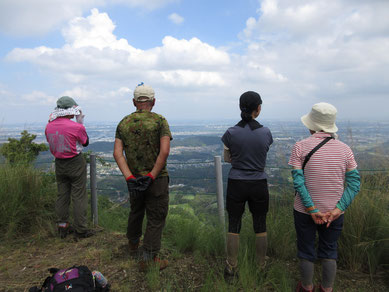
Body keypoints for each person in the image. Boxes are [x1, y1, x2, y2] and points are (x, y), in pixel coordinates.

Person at [289, 103, 360, 292]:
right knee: (329, 251)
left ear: (312, 124)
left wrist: (311, 208)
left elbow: (298, 181)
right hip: (334, 212)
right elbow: (354, 184)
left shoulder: (299, 147)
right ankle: (327, 289)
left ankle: (306, 287)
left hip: (304, 211)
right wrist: (338, 209)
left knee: (306, 250)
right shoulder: (346, 150)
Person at [113, 82, 172, 271]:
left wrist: (130, 177)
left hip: (135, 179)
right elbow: (164, 152)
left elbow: (117, 153)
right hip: (157, 179)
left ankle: (132, 245)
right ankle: (149, 260)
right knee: (156, 216)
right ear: (153, 101)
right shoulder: (160, 121)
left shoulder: (124, 123)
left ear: (134, 102)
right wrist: (152, 175)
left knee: (136, 211)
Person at [221, 91, 273, 280]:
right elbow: (263, 151)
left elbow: (228, 159)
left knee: (234, 224)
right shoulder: (266, 132)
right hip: (259, 182)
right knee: (260, 225)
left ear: (240, 107)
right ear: (258, 109)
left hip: (237, 182)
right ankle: (261, 267)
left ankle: (231, 267)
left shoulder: (231, 133)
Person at [45, 96, 94, 239]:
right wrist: (80, 123)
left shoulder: (49, 126)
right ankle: (81, 230)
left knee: (62, 195)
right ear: (70, 110)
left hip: (59, 162)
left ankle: (62, 227)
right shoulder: (76, 127)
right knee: (79, 196)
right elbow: (85, 143)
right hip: (75, 162)